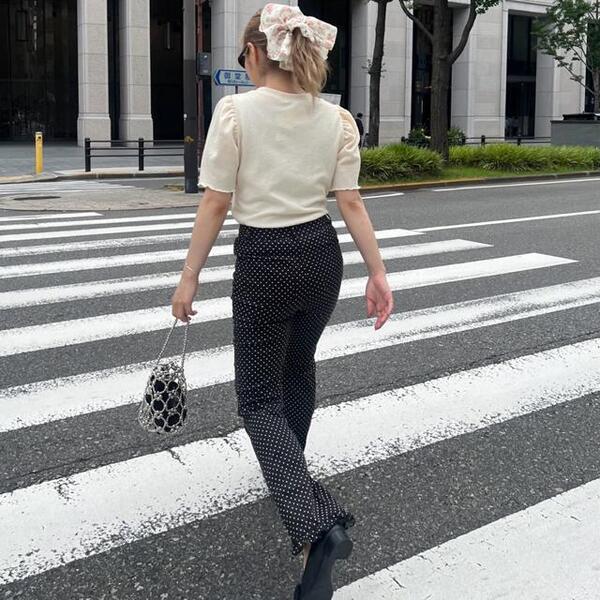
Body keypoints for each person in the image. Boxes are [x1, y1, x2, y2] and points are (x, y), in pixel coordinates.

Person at [171, 3, 394, 599]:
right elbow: (350, 201)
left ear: (254, 53)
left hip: (266, 258)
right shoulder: (337, 119)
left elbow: (216, 201)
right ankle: (291, 474)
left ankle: (315, 526)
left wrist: (189, 277)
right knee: (297, 369)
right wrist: (378, 274)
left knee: (257, 399)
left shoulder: (236, 112)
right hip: (321, 255)